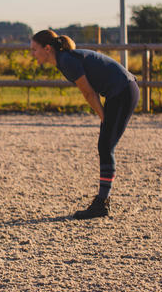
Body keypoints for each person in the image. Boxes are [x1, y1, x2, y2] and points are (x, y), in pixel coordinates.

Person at [30, 30, 139, 219]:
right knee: (105, 145)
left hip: (123, 91)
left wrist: (103, 116)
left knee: (105, 146)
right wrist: (104, 117)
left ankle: (102, 203)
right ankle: (102, 201)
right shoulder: (64, 59)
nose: (32, 54)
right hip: (121, 90)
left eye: (34, 49)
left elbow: (88, 93)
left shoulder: (66, 61)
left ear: (47, 49)